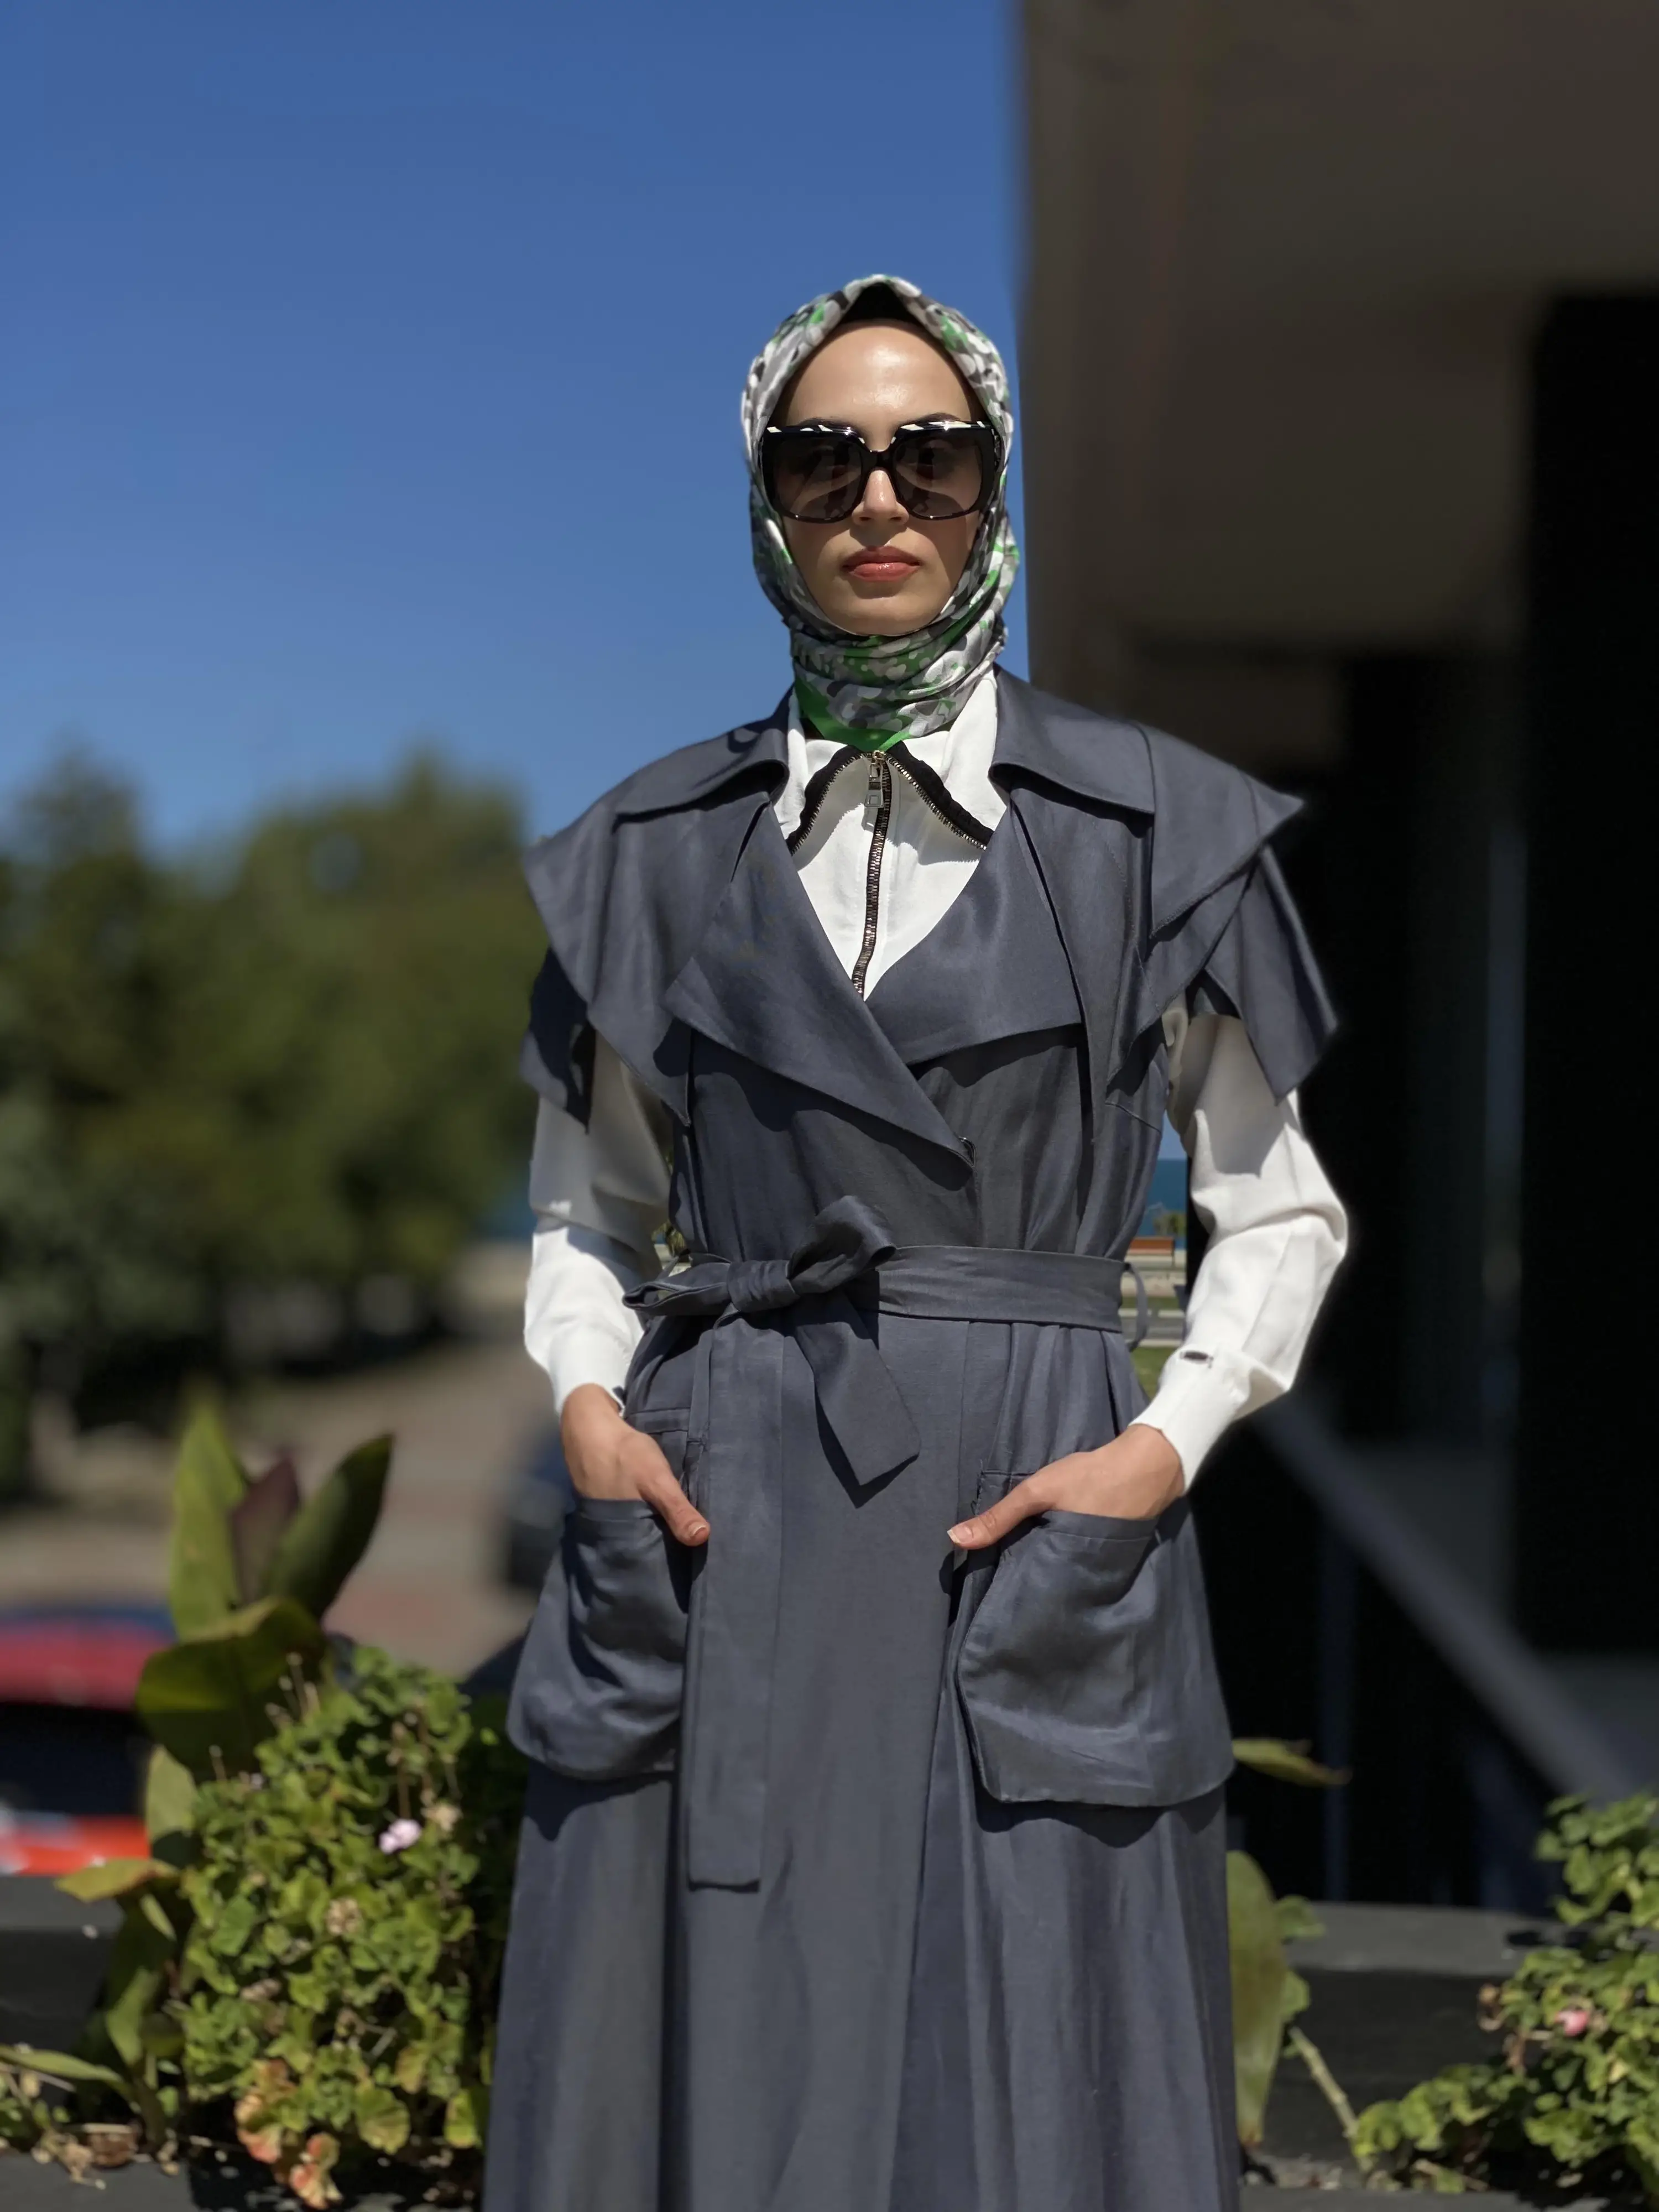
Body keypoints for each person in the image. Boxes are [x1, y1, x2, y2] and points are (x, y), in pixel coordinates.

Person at [485, 273, 1347, 2212]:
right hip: (721, 1502)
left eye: (929, 454)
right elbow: (587, 1210)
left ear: (989, 489)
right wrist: (594, 1416)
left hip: (1024, 1495)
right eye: (824, 456)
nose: (878, 497)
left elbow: (1278, 1207)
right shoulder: (648, 850)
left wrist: (1160, 1449)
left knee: (1015, 2059)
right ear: (769, 499)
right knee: (715, 2055)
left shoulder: (1154, 831)